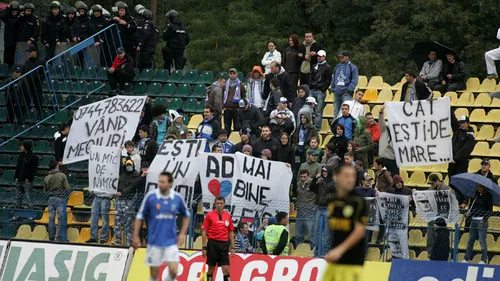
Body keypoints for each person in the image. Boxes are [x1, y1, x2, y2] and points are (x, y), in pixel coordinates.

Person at [133, 171, 190, 281]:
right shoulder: (151, 197)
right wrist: (136, 236)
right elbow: (139, 216)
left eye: (163, 182)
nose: (160, 184)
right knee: (154, 274)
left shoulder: (177, 198)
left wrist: (182, 233)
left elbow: (187, 215)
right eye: (159, 181)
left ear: (170, 183)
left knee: (174, 271)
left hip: (171, 242)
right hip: (154, 241)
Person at [322, 165, 368, 281]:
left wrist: (339, 250)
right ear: (336, 177)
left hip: (351, 263)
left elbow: (360, 231)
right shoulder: (332, 199)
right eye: (346, 176)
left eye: (353, 176)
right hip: (334, 262)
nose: (350, 179)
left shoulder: (359, 201)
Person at [202, 196, 235, 281]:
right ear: (215, 204)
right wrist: (204, 247)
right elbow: (204, 231)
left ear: (224, 204)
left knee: (226, 270)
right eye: (217, 203)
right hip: (212, 244)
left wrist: (232, 247)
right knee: (211, 270)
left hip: (224, 244)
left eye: (221, 203)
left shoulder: (227, 216)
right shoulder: (209, 215)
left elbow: (230, 232)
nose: (219, 205)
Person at [449, 115, 476, 204]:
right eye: (461, 123)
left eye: (464, 123)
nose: (462, 125)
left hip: (461, 163)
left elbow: (466, 149)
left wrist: (456, 159)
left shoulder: (470, 135)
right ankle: (453, 201)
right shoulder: (458, 129)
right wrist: (448, 105)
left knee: (460, 182)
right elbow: (453, 120)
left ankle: (462, 202)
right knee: (451, 181)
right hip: (452, 161)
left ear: (468, 123)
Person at [463, 185, 492, 264]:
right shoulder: (475, 195)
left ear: (484, 187)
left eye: (480, 187)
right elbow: (471, 207)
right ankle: (467, 257)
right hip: (473, 220)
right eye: (478, 187)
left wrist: (484, 219)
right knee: (470, 240)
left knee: (482, 240)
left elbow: (490, 210)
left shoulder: (488, 196)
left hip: (482, 221)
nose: (479, 188)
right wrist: (469, 213)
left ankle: (483, 259)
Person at [113, 159, 140, 246]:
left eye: (130, 165)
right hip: (119, 200)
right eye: (127, 165)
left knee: (128, 221)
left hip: (129, 199)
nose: (128, 167)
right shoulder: (122, 173)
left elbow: (132, 187)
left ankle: (129, 242)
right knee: (117, 220)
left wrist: (122, 192)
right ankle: (118, 239)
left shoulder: (136, 175)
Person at [310, 166, 335, 257]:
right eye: (323, 171)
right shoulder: (320, 181)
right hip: (319, 208)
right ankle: (317, 252)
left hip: (328, 209)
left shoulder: (333, 184)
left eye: (326, 171)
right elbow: (311, 188)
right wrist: (315, 178)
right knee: (317, 232)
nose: (324, 173)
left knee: (327, 233)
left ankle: (325, 252)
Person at [44, 159, 69, 241]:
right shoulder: (62, 175)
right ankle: (60, 237)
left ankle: (51, 237)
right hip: (60, 198)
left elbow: (45, 190)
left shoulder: (46, 177)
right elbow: (67, 188)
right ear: (57, 166)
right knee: (61, 218)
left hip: (50, 199)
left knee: (51, 218)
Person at [331, 51, 359, 117]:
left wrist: (348, 90)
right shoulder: (337, 67)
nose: (341, 58)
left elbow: (354, 80)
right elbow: (334, 78)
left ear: (347, 57)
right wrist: (333, 89)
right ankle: (336, 126)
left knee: (347, 112)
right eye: (340, 57)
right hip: (337, 92)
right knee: (336, 112)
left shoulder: (352, 67)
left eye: (342, 57)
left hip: (346, 93)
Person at [310, 50, 333, 129]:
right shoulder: (314, 66)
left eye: (321, 56)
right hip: (313, 90)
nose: (319, 57)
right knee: (309, 109)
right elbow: (311, 77)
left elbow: (328, 81)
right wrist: (311, 86)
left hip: (320, 91)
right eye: (318, 56)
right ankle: (309, 127)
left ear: (324, 57)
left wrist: (323, 89)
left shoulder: (327, 67)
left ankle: (317, 128)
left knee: (318, 111)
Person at [295, 170, 316, 247]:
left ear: (308, 176)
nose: (303, 178)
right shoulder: (298, 184)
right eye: (301, 177)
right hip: (300, 213)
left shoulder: (313, 184)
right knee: (298, 235)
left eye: (304, 177)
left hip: (310, 213)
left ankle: (312, 253)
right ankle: (298, 252)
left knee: (311, 236)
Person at [15, 140, 38, 209]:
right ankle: (17, 214)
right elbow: (18, 167)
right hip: (19, 180)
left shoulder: (34, 157)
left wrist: (29, 178)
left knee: (29, 198)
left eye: (22, 146)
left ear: (25, 147)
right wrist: (16, 177)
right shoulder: (21, 156)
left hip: (27, 181)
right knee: (18, 197)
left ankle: (30, 216)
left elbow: (34, 170)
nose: (20, 147)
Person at [22, 45, 45, 115]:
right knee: (26, 101)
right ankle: (26, 116)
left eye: (30, 52)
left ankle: (39, 116)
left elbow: (44, 73)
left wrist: (38, 78)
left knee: (38, 102)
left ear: (34, 52)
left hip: (37, 85)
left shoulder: (41, 61)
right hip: (28, 85)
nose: (29, 53)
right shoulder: (27, 62)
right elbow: (23, 72)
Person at [224, 68, 246, 133]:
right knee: (227, 126)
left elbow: (243, 96)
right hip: (227, 108)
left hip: (236, 109)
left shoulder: (241, 85)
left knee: (237, 126)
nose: (232, 75)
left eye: (234, 74)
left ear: (236, 74)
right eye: (231, 74)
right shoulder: (226, 85)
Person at [378, 106, 398, 176]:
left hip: (393, 160)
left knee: (394, 178)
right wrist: (381, 113)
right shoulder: (385, 130)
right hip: (383, 159)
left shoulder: (399, 133)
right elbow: (381, 122)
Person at [0, 1, 21, 68]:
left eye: (15, 12)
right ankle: (6, 69)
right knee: (7, 56)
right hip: (8, 41)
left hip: (17, 41)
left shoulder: (20, 18)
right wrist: (7, 8)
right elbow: (2, 16)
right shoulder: (8, 18)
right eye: (13, 11)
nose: (14, 13)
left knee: (15, 57)